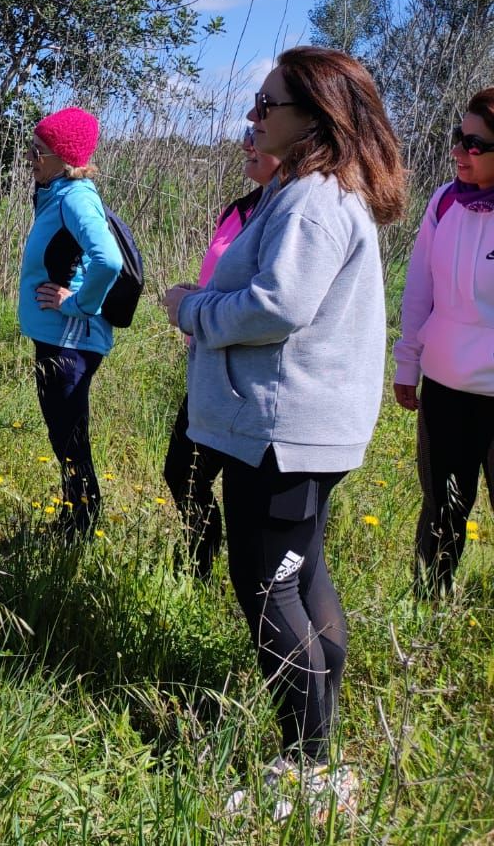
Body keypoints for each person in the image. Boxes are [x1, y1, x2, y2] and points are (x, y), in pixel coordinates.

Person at [163, 47, 405, 816]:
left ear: (316, 116)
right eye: (255, 105)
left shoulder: (312, 199)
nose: (253, 116)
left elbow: (276, 305)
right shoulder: (314, 193)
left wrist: (191, 309)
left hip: (282, 431)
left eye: (268, 104)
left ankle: (309, 770)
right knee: (303, 578)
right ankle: (320, 750)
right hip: (294, 429)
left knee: (265, 587)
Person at [163, 126, 282, 578]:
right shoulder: (238, 210)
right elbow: (226, 284)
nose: (248, 143)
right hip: (209, 370)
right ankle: (201, 556)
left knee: (241, 493)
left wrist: (196, 308)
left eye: (260, 133)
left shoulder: (289, 216)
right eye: (248, 132)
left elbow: (272, 303)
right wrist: (193, 296)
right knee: (181, 472)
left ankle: (245, 576)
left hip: (251, 384)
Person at [392, 86, 494, 597]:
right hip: (446, 387)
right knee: (442, 511)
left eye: (475, 144)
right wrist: (407, 363)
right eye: (459, 138)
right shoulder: (444, 199)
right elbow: (419, 289)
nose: (458, 151)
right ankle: (425, 619)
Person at [18, 107, 123, 538]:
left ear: (66, 157)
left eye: (39, 150)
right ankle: (74, 518)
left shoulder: (76, 198)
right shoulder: (56, 194)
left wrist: (79, 304)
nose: (31, 156)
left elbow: (108, 260)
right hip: (57, 338)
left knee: (70, 438)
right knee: (65, 437)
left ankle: (79, 525)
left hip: (70, 340)